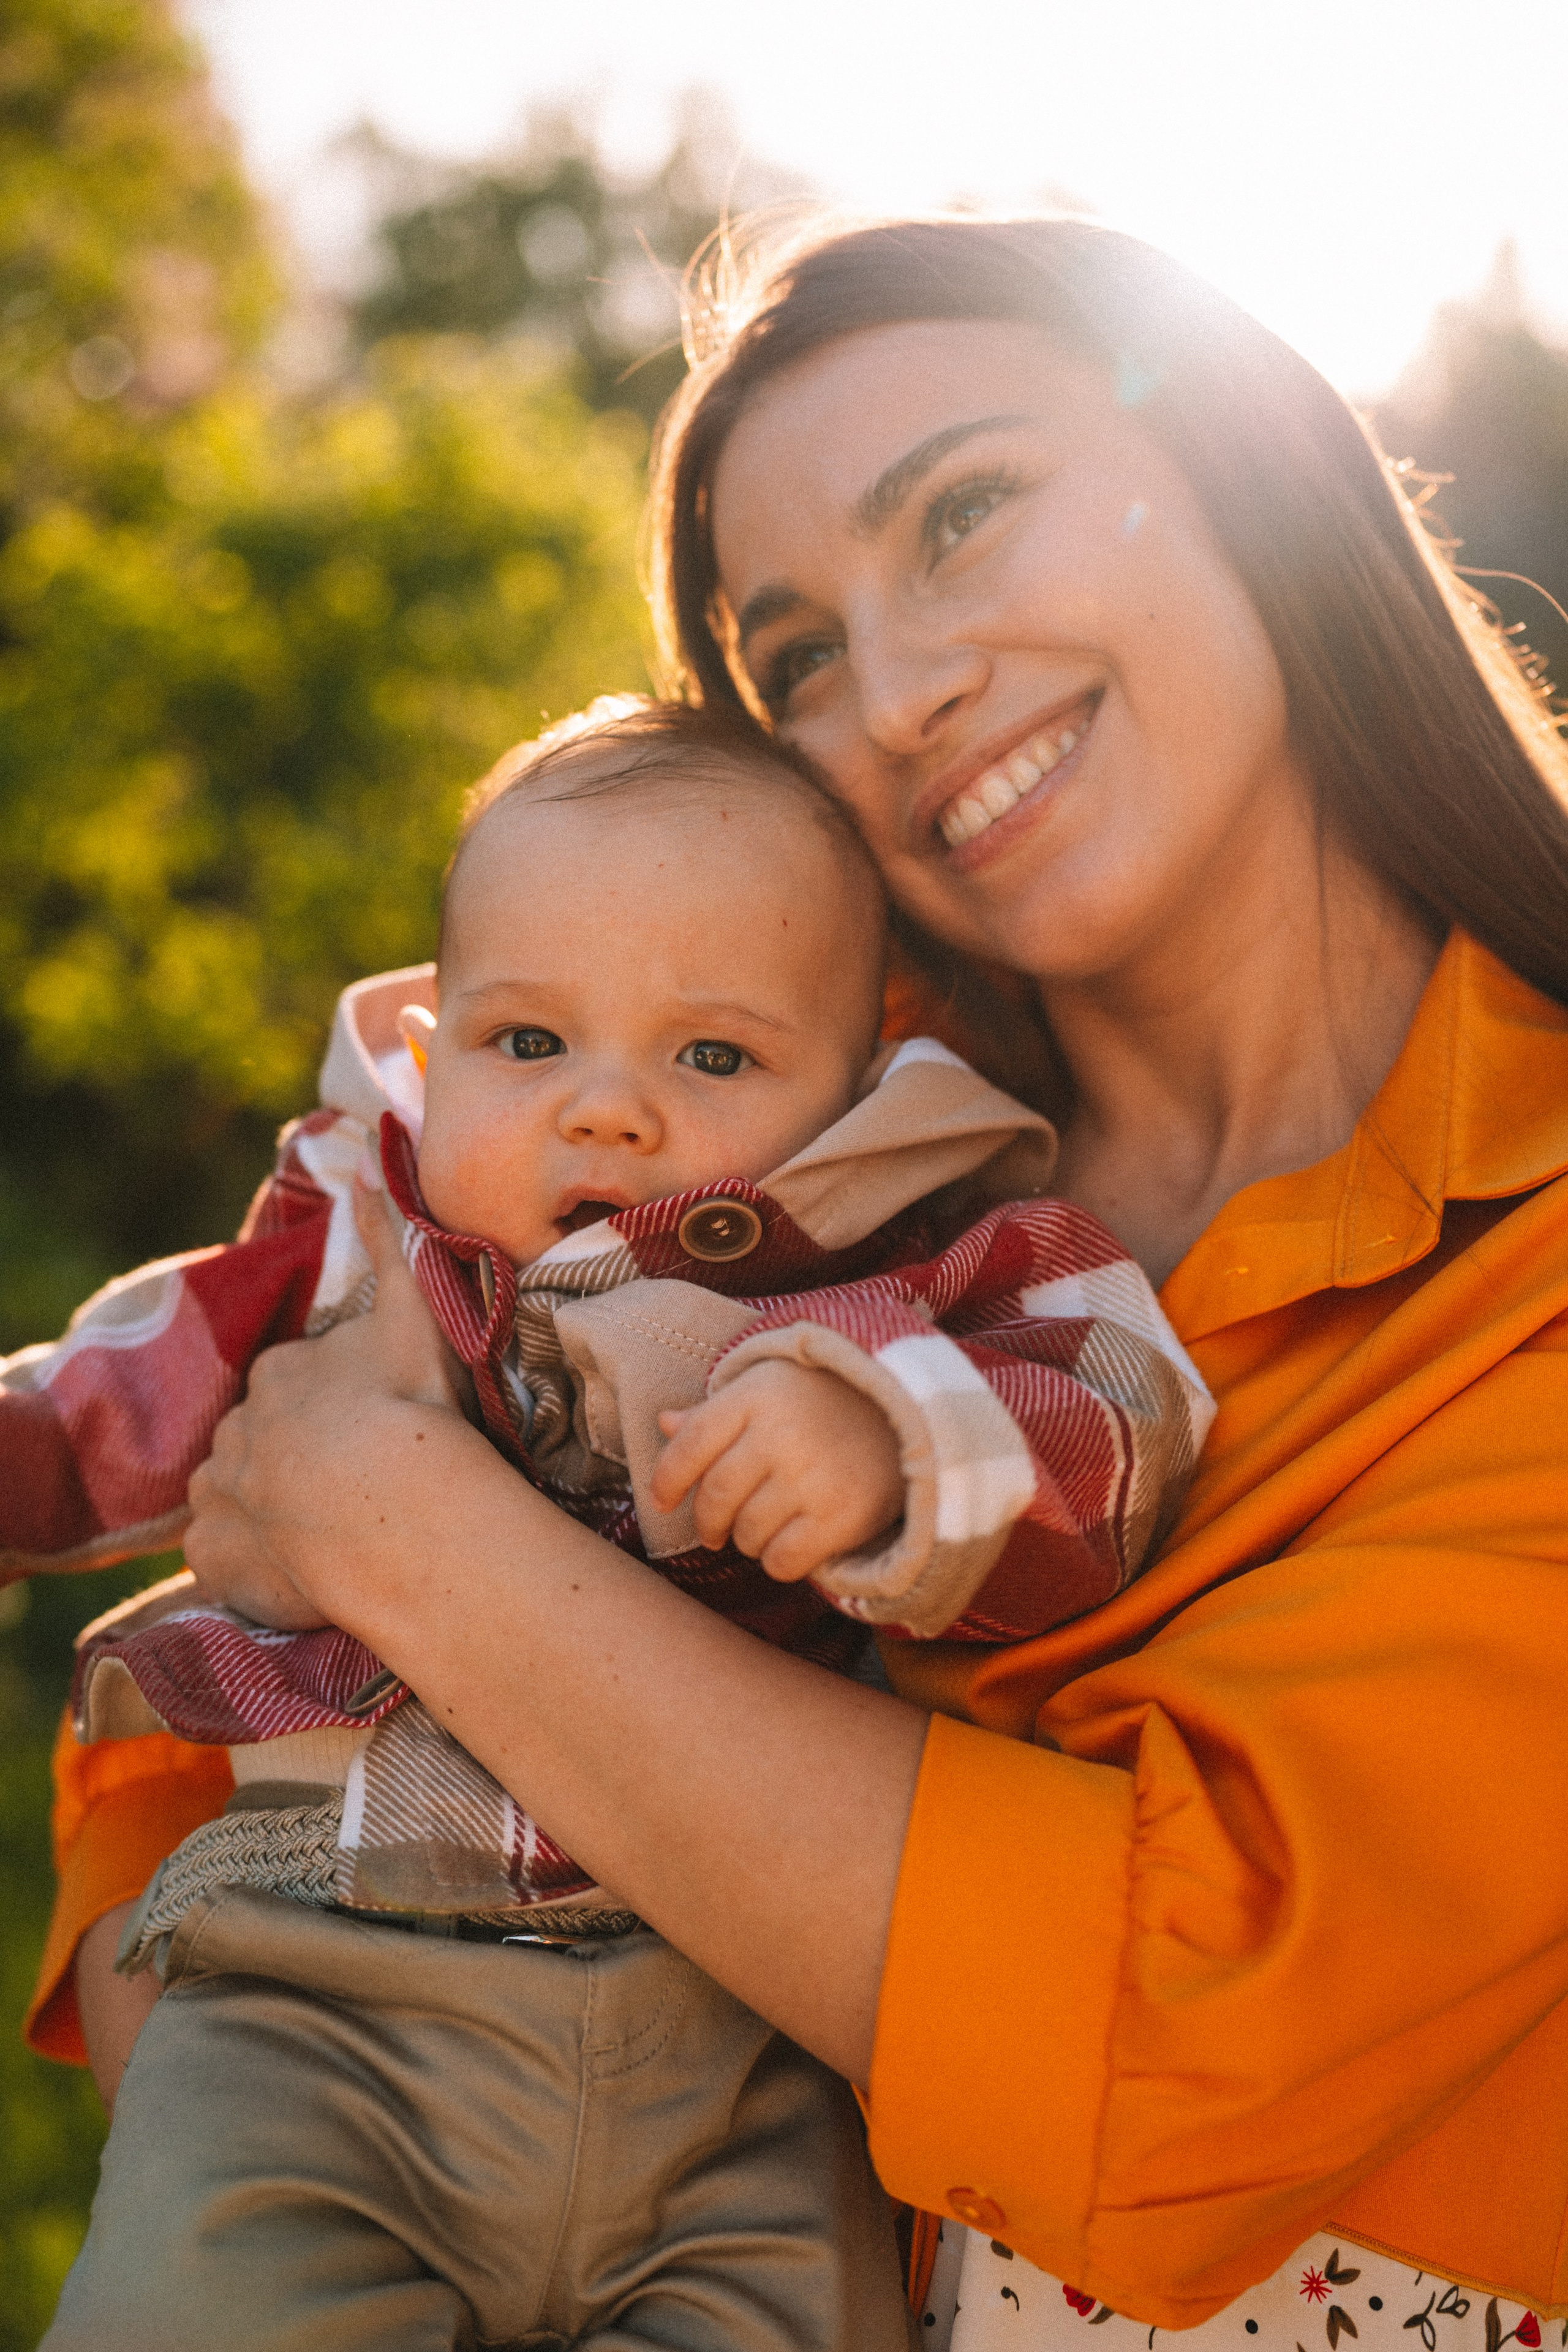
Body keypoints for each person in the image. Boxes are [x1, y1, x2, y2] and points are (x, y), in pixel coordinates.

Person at [29, 214, 1568, 2352]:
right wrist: (236, 2065)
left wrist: (410, 1537)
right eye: (801, 657)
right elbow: (211, 1591)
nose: (905, 692)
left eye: (965, 510)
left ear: (1253, 470)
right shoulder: (746, 1157)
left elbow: (1178, 2039)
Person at [15, 692, 1208, 2350]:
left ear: (861, 1088)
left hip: (744, 2048)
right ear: (432, 1047)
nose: (608, 1109)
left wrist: (888, 1437)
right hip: (330, 1995)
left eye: (712, 1056)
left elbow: (1123, 1415)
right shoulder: (360, 1237)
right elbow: (107, 1399)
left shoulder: (913, 1255)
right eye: (529, 1043)